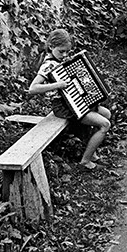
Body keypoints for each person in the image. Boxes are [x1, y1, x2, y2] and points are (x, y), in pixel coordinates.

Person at [28, 29, 111, 169]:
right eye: (61, 51)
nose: (64, 55)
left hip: (73, 102)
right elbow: (33, 88)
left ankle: (92, 151)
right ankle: (86, 160)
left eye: (67, 52)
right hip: (62, 107)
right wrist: (58, 85)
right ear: (51, 46)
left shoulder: (60, 61)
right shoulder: (48, 65)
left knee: (106, 113)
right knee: (105, 124)